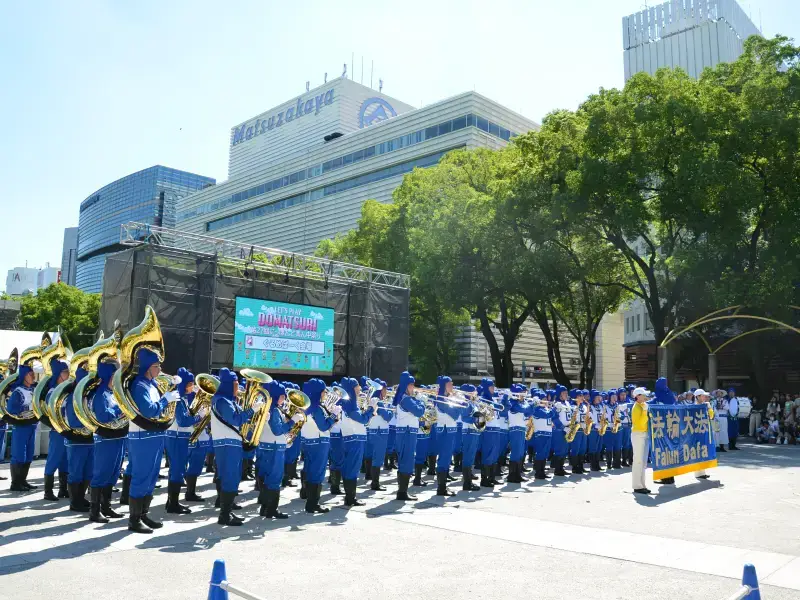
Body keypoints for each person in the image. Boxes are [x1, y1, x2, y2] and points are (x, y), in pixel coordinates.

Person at [126, 347, 181, 533]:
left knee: (151, 477)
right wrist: (166, 399)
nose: (160, 370)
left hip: (155, 435)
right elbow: (149, 410)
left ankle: (143, 514)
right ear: (148, 367)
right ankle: (134, 520)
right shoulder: (139, 385)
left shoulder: (152, 384)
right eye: (157, 366)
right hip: (142, 436)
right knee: (141, 476)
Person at [87, 359, 126, 523]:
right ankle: (94, 511)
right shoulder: (100, 394)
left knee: (113, 473)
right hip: (105, 439)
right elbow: (103, 416)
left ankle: (106, 507)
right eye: (115, 375)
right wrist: (121, 408)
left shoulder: (113, 393)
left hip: (118, 436)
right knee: (101, 473)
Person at [164, 368, 201, 514]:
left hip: (178, 437)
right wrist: (199, 417)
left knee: (176, 469)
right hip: (177, 437)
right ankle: (173, 504)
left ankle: (171, 502)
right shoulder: (179, 398)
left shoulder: (182, 397)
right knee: (178, 469)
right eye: (190, 384)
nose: (192, 386)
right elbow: (183, 421)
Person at [299, 378, 337, 513]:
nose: (325, 394)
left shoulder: (306, 407)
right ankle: (312, 504)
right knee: (317, 472)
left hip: (309, 441)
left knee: (310, 470)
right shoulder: (317, 408)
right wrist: (334, 416)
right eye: (323, 392)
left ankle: (308, 498)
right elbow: (323, 426)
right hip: (319, 442)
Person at [256, 380, 293, 519]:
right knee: (275, 479)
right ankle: (271, 510)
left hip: (265, 446)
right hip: (275, 448)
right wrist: (292, 421)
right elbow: (278, 430)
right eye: (282, 395)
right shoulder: (275, 410)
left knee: (266, 477)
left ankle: (264, 508)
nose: (284, 398)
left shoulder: (264, 407)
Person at [339, 377, 375, 507]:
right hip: (354, 440)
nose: (359, 388)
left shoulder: (350, 405)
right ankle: (350, 498)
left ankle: (350, 497)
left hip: (353, 439)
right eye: (357, 386)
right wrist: (371, 408)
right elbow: (363, 420)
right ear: (351, 389)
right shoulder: (350, 406)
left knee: (352, 467)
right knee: (352, 468)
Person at [64, 363, 95, 511]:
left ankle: (81, 498)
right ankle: (74, 502)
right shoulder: (73, 397)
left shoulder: (89, 396)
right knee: (76, 472)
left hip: (90, 439)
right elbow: (73, 421)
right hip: (76, 439)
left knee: (88, 471)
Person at [6, 360, 39, 492]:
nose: (33, 376)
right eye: (30, 374)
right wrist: (22, 414)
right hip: (21, 427)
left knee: (29, 454)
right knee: (19, 454)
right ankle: (15, 483)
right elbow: (11, 410)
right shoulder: (18, 392)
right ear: (24, 375)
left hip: (32, 426)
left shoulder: (33, 389)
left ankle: (23, 480)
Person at [393, 371, 426, 501]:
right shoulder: (406, 399)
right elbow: (418, 411)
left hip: (406, 432)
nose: (414, 387)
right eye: (411, 385)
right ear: (406, 386)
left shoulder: (405, 398)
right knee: (407, 461)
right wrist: (422, 402)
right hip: (407, 432)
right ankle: (402, 492)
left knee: (405, 460)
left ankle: (402, 491)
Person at [42, 355, 70, 501]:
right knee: (54, 458)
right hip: (58, 430)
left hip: (67, 430)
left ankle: (63, 489)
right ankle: (48, 491)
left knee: (65, 460)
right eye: (65, 372)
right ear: (59, 374)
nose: (68, 374)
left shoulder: (66, 390)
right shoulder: (53, 392)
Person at [433, 376, 463, 495]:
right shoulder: (441, 399)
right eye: (450, 384)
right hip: (445, 430)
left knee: (446, 458)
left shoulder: (447, 398)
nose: (452, 386)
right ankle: (441, 488)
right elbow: (455, 415)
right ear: (444, 385)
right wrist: (458, 402)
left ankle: (443, 486)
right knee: (444, 458)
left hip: (449, 430)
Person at [506, 384, 534, 483]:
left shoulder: (521, 403)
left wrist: (533, 405)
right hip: (515, 429)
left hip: (521, 429)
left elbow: (529, 413)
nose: (523, 395)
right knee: (516, 452)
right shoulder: (512, 403)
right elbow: (523, 409)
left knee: (520, 452)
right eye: (520, 393)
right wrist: (530, 404)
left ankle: (517, 474)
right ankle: (512, 475)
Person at [458, 384, 481, 491]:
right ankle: (467, 483)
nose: (476, 393)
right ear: (468, 393)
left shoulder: (473, 403)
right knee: (468, 456)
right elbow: (464, 418)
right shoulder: (466, 404)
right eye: (474, 391)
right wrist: (476, 420)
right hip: (469, 431)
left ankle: (468, 480)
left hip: (474, 431)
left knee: (471, 457)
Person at [692, 389, 717, 481]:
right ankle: (698, 473)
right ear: (697, 396)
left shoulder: (706, 405)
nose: (704, 397)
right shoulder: (693, 406)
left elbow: (711, 416)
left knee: (703, 451)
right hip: (696, 432)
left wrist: (709, 407)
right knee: (697, 451)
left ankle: (702, 472)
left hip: (705, 431)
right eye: (702, 396)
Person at [531, 389, 555, 480]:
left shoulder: (546, 408)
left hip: (548, 433)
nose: (546, 401)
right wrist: (554, 408)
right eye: (544, 399)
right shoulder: (537, 409)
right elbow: (547, 415)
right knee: (540, 453)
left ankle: (542, 471)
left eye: (546, 398)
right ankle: (538, 472)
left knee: (545, 454)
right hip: (541, 434)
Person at [630, 387, 651, 494]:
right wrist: (645, 411)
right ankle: (637, 485)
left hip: (644, 434)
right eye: (643, 395)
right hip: (638, 434)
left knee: (643, 462)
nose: (645, 397)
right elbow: (640, 423)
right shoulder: (636, 407)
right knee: (638, 460)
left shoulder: (642, 406)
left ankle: (642, 484)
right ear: (637, 396)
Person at [550, 385, 570, 477]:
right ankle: (557, 470)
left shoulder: (567, 403)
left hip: (568, 428)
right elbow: (554, 418)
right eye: (564, 393)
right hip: (559, 430)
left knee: (565, 449)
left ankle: (561, 468)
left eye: (566, 393)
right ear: (559, 394)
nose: (566, 394)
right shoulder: (556, 404)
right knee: (559, 449)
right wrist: (563, 427)